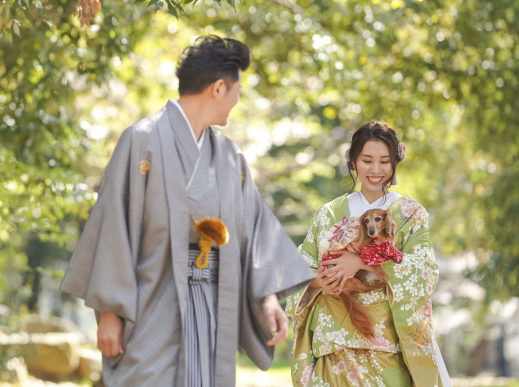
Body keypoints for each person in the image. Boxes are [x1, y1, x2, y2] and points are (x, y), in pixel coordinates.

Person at [60, 36, 314, 387]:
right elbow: (113, 227)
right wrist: (108, 313)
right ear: (219, 88)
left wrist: (268, 297)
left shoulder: (230, 157)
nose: (238, 101)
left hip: (212, 306)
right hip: (152, 305)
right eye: (237, 91)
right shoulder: (141, 140)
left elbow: (253, 231)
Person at [286, 121, 452, 387]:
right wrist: (321, 281)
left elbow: (424, 272)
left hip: (387, 345)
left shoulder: (410, 213)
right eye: (366, 160)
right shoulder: (329, 213)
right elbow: (296, 273)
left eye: (385, 161)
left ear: (396, 162)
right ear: (353, 162)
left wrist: (361, 260)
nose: (376, 170)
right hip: (334, 346)